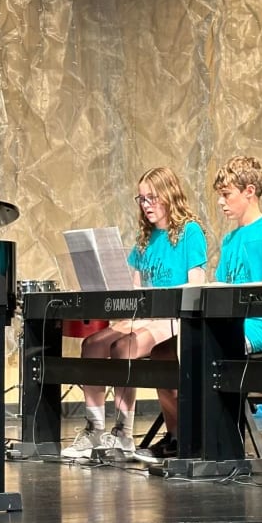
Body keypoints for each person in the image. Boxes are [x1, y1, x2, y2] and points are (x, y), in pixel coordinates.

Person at [133, 156, 262, 464]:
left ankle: (203, 438)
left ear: (249, 192)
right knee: (163, 352)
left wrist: (237, 292)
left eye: (226, 195)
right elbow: (223, 284)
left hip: (260, 324)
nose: (220, 202)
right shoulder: (230, 239)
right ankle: (178, 435)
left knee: (197, 348)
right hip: (229, 320)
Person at [61, 167, 207, 459]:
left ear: (169, 194)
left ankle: (123, 433)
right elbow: (135, 288)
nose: (146, 205)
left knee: (124, 347)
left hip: (173, 316)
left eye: (152, 197)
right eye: (141, 199)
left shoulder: (190, 231)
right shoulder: (145, 239)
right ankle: (94, 429)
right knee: (92, 344)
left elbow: (197, 284)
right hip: (145, 315)